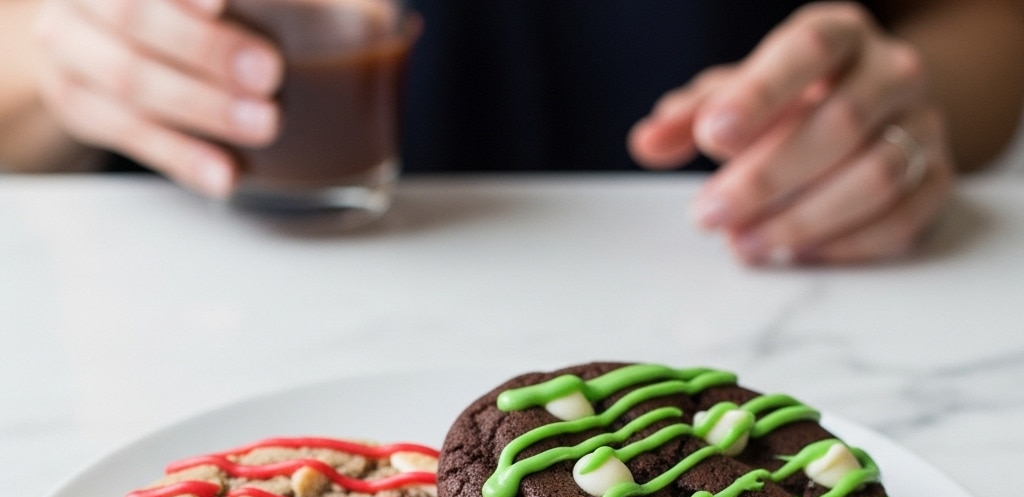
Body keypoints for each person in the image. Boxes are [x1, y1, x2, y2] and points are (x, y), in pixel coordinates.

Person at [2, 0, 1023, 264]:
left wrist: (895, 110)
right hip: (207, 304)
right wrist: (53, 50)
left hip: (739, 276)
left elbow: (985, 29)